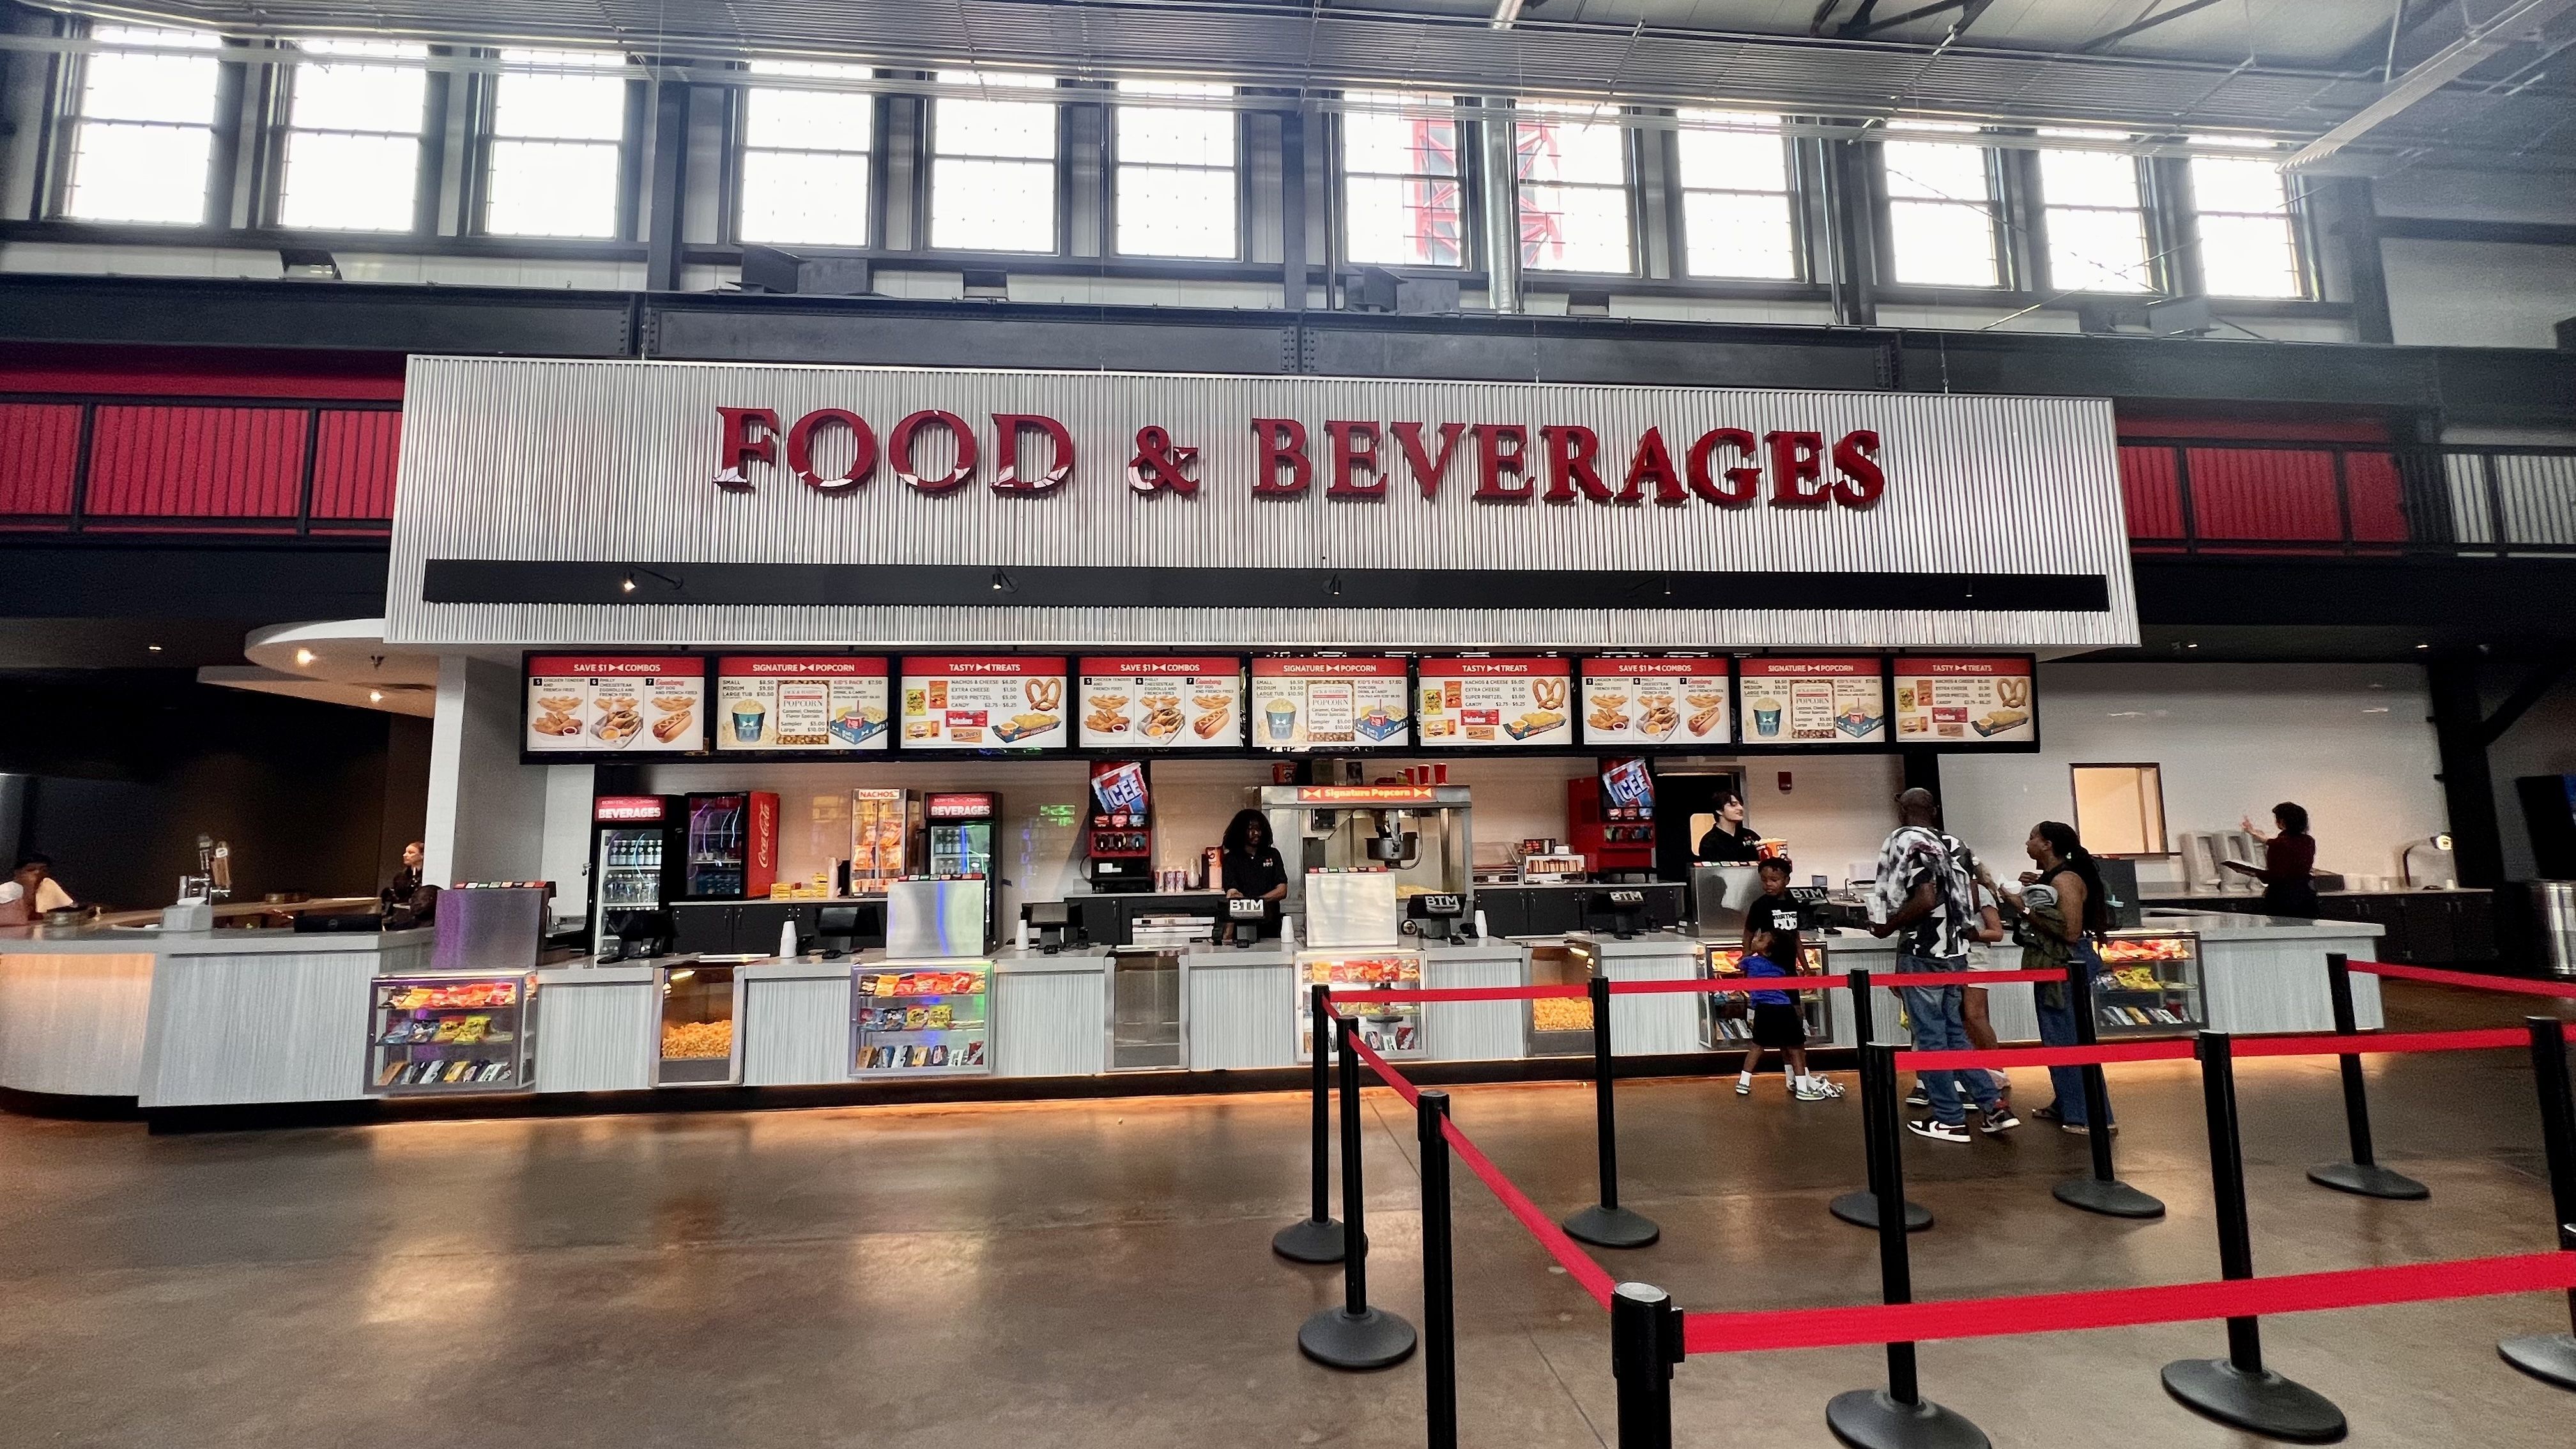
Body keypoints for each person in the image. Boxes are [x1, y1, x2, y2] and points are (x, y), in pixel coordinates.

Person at [1871, 789, 2016, 1142]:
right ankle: (1993, 1105)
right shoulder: (1956, 845)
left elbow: (1923, 897)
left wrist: (1888, 927)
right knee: (1955, 1035)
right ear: (1934, 810)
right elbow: (1977, 888)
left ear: (1902, 810)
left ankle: (1949, 1118)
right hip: (1957, 954)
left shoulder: (1907, 841)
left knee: (1931, 1038)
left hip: (1923, 954)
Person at [1998, 820, 2115, 1135]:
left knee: (2067, 1038)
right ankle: (2067, 1103)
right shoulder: (2055, 879)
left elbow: (2069, 931)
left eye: (2033, 837)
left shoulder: (2065, 880)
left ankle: (2087, 1115)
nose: (2028, 842)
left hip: (2067, 965)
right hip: (2058, 966)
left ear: (2048, 845)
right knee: (2058, 1035)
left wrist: (2020, 907)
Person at [1735, 924, 1839, 1100]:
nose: (1756, 939)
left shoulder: (1750, 962)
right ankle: (1801, 1087)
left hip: (1762, 1009)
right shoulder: (1781, 968)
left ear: (1768, 951)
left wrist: (1749, 952)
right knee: (1796, 1048)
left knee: (1757, 1046)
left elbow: (1740, 964)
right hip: (1783, 1009)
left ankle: (1744, 1082)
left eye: (1761, 939)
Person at [2230, 802, 2319, 918]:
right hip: (2305, 894)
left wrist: (2251, 871)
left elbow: (2275, 876)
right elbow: (2280, 844)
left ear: (2282, 822)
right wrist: (2254, 833)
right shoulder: (2309, 841)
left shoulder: (2278, 844)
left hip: (2282, 898)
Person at [1219, 809, 1289, 903]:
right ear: (1241, 831)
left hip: (1271, 915)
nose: (1256, 833)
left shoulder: (1273, 854)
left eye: (1259, 829)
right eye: (1251, 829)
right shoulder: (1231, 859)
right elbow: (1232, 891)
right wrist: (1237, 896)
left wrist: (1257, 902)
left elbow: (1282, 890)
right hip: (1241, 916)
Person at [0, 854, 74, 925]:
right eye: (31, 870)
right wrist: (29, 888)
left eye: (44, 870)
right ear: (18, 873)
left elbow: (66, 912)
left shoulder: (48, 887)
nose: (38, 873)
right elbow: (13, 919)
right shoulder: (5, 891)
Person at [381, 841, 438, 930]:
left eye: (411, 853)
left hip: (420, 918)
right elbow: (399, 894)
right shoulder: (401, 876)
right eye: (406, 852)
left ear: (422, 855)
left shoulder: (430, 875)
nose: (405, 855)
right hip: (401, 914)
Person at [1696, 790, 1764, 864]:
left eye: (1741, 805)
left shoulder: (1750, 835)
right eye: (1733, 805)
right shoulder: (1710, 841)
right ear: (1719, 811)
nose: (1741, 808)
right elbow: (1712, 873)